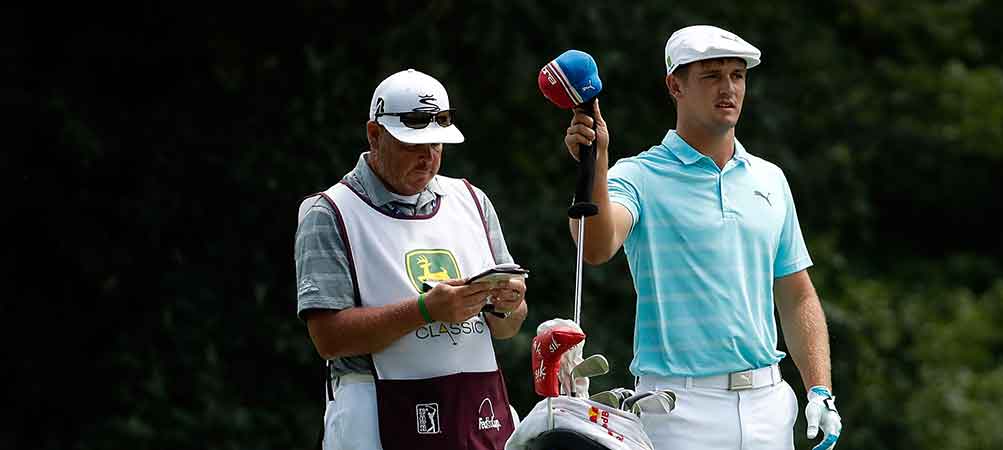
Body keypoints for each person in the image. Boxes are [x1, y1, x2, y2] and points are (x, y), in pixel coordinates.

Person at [561, 26, 842, 450]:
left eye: (737, 75)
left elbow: (796, 293)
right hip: (678, 407)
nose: (728, 88)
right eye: (711, 75)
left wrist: (819, 388)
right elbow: (596, 246)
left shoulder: (770, 178)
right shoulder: (637, 175)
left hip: (769, 402)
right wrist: (596, 163)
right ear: (675, 85)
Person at [294, 68, 528, 450]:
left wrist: (509, 303)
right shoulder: (329, 212)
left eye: (436, 145)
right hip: (375, 420)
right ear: (374, 135)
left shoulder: (472, 200)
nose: (428, 158)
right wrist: (425, 310)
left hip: (476, 415)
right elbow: (329, 337)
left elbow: (506, 327)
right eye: (412, 145)